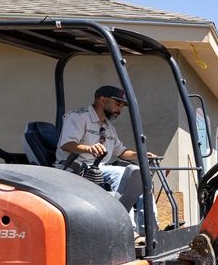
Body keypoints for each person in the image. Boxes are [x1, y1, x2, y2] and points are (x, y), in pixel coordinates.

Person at [57, 85, 156, 227]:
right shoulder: (78, 116)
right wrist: (89, 148)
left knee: (142, 177)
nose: (120, 110)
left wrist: (141, 154)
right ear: (102, 100)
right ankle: (127, 229)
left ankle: (150, 228)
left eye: (122, 106)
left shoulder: (109, 127)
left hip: (100, 168)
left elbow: (120, 152)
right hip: (76, 167)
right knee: (126, 176)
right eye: (117, 104)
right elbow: (67, 144)